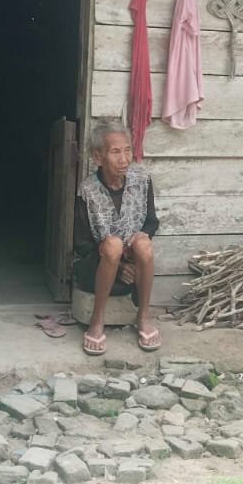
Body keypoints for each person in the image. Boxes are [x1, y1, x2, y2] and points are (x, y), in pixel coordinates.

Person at [74, 119, 160, 355]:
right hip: (97, 270)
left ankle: (144, 316)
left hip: (134, 274)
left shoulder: (142, 180)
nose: (124, 159)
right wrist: (119, 265)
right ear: (98, 157)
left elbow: (151, 222)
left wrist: (133, 256)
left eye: (127, 150)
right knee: (112, 244)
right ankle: (97, 320)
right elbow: (82, 244)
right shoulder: (87, 191)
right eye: (115, 152)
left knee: (143, 242)